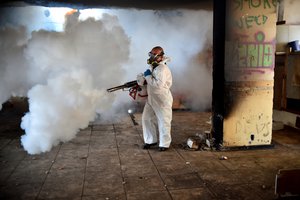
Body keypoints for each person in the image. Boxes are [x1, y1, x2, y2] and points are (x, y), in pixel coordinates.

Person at [136, 46, 173, 151]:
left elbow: (158, 85)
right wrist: (142, 79)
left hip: (162, 100)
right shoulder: (153, 66)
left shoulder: (162, 69)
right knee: (146, 119)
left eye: (154, 55)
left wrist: (147, 77)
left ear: (160, 57)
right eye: (151, 54)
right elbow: (148, 79)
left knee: (164, 121)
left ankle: (164, 144)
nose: (151, 56)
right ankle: (150, 141)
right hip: (152, 99)